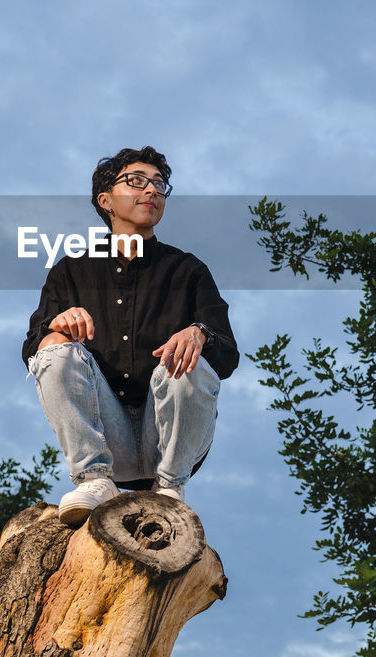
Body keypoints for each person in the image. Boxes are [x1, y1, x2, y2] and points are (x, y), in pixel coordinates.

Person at [22, 146, 239, 526]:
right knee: (53, 350)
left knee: (189, 355)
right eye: (137, 182)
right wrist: (57, 325)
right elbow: (31, 349)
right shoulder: (69, 272)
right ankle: (93, 479)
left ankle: (170, 488)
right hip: (105, 436)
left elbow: (228, 355)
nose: (152, 191)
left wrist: (199, 332)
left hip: (170, 440)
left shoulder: (188, 270)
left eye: (159, 184)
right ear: (106, 200)